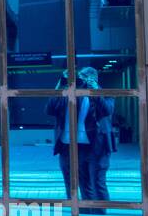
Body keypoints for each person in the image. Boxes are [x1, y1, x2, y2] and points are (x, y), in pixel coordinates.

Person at [46, 68, 116, 201]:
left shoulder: (105, 94)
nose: (81, 81)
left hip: (95, 146)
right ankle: (83, 215)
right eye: (80, 78)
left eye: (85, 78)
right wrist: (61, 83)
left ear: (94, 78)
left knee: (96, 183)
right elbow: (49, 109)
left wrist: (95, 90)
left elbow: (106, 111)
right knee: (78, 184)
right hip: (69, 145)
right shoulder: (70, 93)